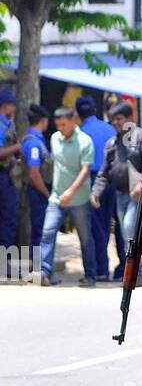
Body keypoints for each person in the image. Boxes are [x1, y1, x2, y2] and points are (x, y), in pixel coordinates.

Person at [91, 101, 142, 279]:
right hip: (120, 194)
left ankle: (136, 275)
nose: (116, 123)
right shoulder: (112, 143)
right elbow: (104, 172)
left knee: (128, 230)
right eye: (113, 120)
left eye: (119, 119)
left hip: (138, 196)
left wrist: (141, 183)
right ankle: (133, 275)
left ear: (130, 118)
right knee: (127, 235)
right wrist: (96, 192)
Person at [39, 107, 97, 286]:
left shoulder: (85, 141)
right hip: (56, 198)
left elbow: (85, 170)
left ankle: (90, 276)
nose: (61, 128)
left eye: (64, 124)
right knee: (47, 232)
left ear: (74, 120)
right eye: (58, 125)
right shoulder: (55, 138)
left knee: (85, 238)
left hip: (79, 199)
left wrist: (70, 192)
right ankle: (44, 272)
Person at [76, 95, 115, 281]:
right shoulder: (109, 128)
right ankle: (124, 268)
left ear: (77, 114)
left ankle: (101, 268)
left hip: (92, 180)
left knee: (96, 227)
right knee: (115, 225)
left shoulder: (80, 133)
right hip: (113, 180)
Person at [21, 104, 51, 275]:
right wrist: (47, 194)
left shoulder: (35, 139)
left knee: (39, 229)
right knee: (40, 230)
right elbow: (34, 174)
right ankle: (38, 270)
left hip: (38, 192)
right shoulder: (33, 143)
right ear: (43, 121)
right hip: (38, 192)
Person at [0, 87, 22, 249]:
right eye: (12, 105)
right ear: (5, 106)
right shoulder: (1, 126)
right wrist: (17, 147)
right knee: (9, 218)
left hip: (5, 175)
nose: (14, 108)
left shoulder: (7, 124)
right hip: (2, 175)